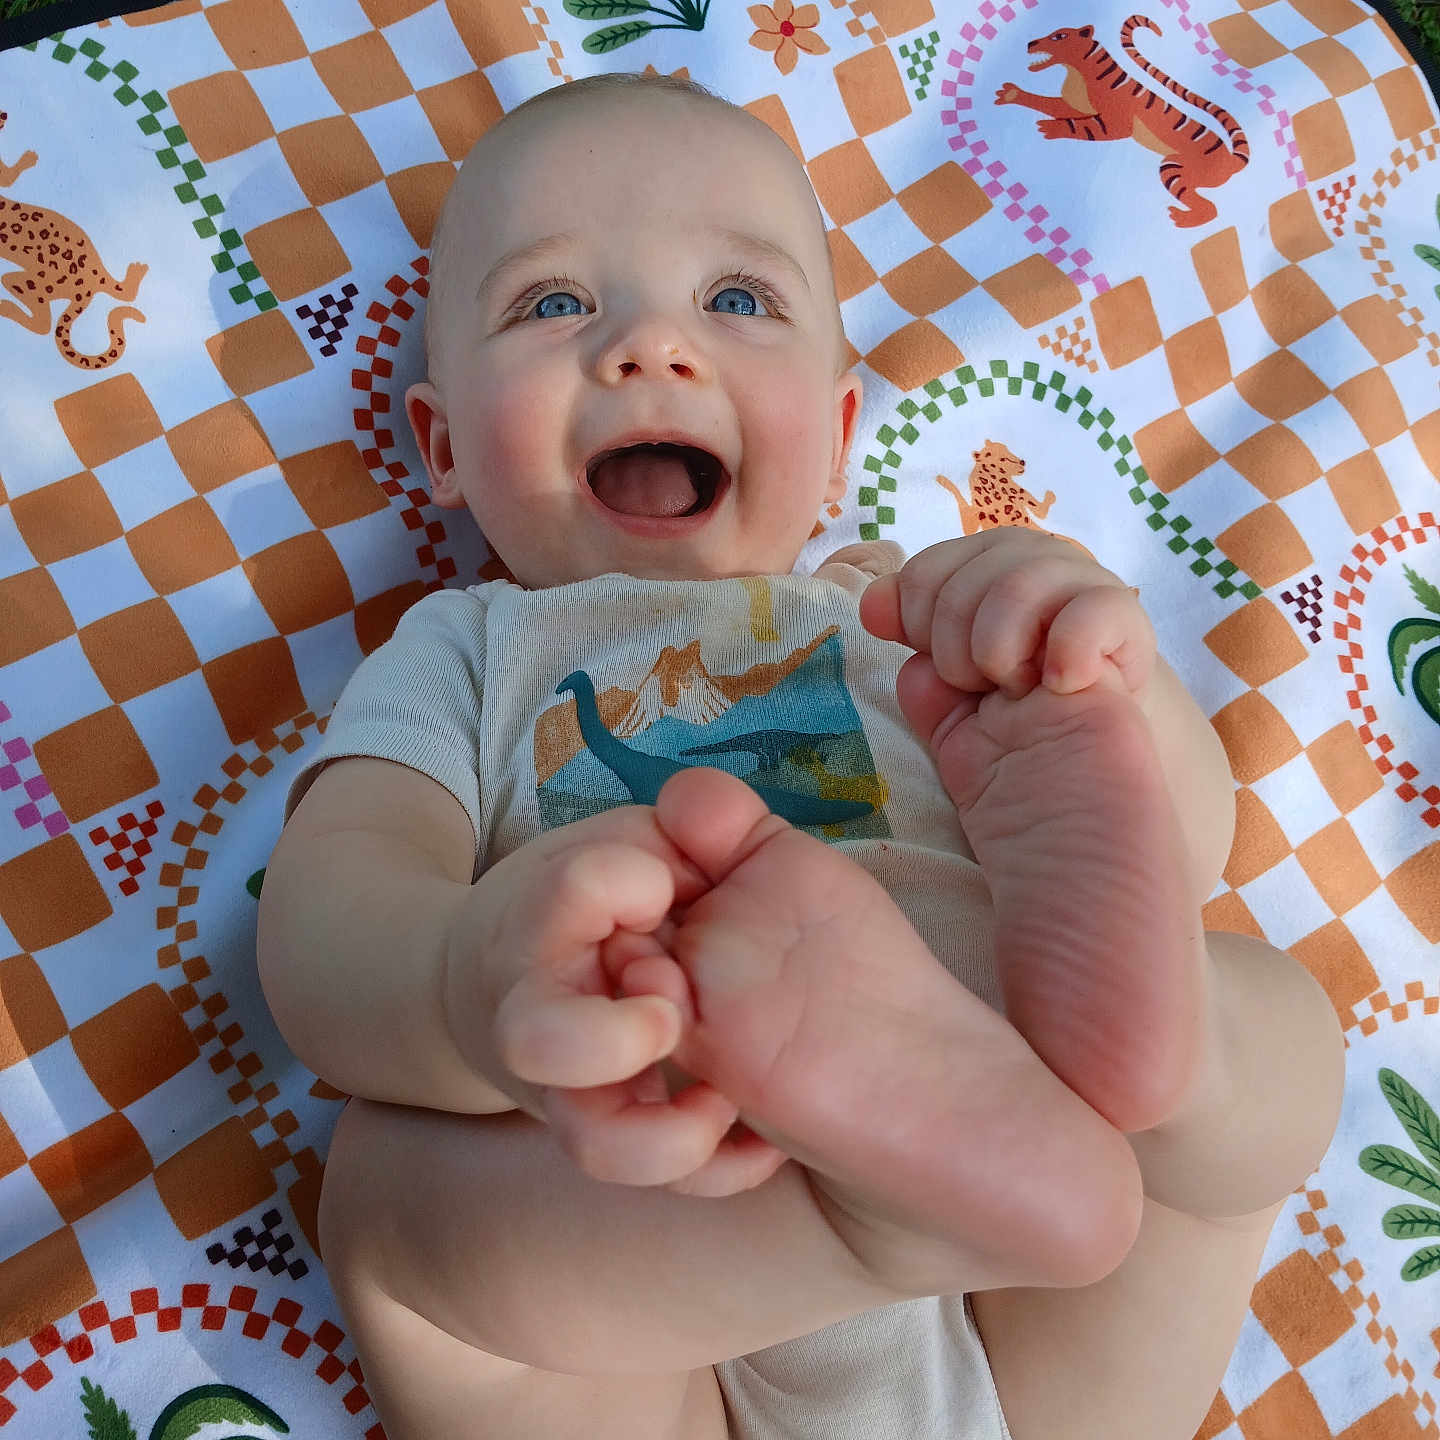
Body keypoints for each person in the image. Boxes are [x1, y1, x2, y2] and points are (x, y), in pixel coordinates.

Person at [256, 71, 1345, 1440]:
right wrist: (462, 993)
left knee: (1255, 1010)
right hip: (707, 1262)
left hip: (1010, 1224)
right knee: (393, 1193)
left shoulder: (899, 608)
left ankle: (1134, 1078)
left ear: (837, 441)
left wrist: (1087, 676)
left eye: (737, 302)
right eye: (553, 305)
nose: (650, 347)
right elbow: (329, 914)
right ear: (441, 446)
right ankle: (902, 1208)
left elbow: (1187, 854)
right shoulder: (463, 650)